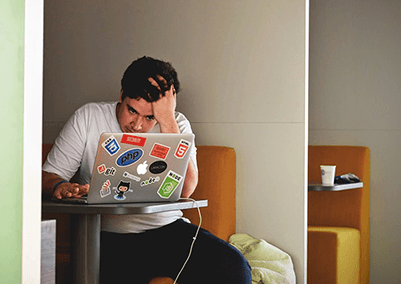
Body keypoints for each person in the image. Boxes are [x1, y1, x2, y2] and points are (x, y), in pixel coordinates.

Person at [42, 56, 252, 284]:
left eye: (149, 117)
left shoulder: (176, 124)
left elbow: (187, 190)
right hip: (108, 237)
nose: (137, 125)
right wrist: (60, 186)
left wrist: (167, 120)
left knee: (234, 266)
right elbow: (48, 175)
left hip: (168, 230)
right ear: (121, 95)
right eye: (132, 111)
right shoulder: (88, 117)